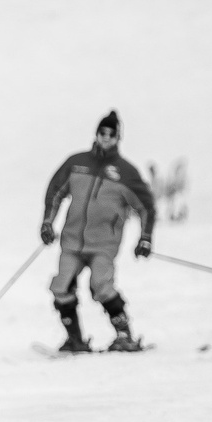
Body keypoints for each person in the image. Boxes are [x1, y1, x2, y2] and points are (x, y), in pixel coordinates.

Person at [39, 111, 158, 353]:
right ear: (96, 134)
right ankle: (75, 340)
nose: (106, 138)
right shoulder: (76, 163)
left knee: (101, 286)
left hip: (104, 245)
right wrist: (47, 223)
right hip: (72, 242)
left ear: (118, 138)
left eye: (111, 134)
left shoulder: (126, 172)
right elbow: (55, 192)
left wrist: (145, 238)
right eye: (102, 133)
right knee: (61, 287)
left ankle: (125, 336)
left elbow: (146, 207)